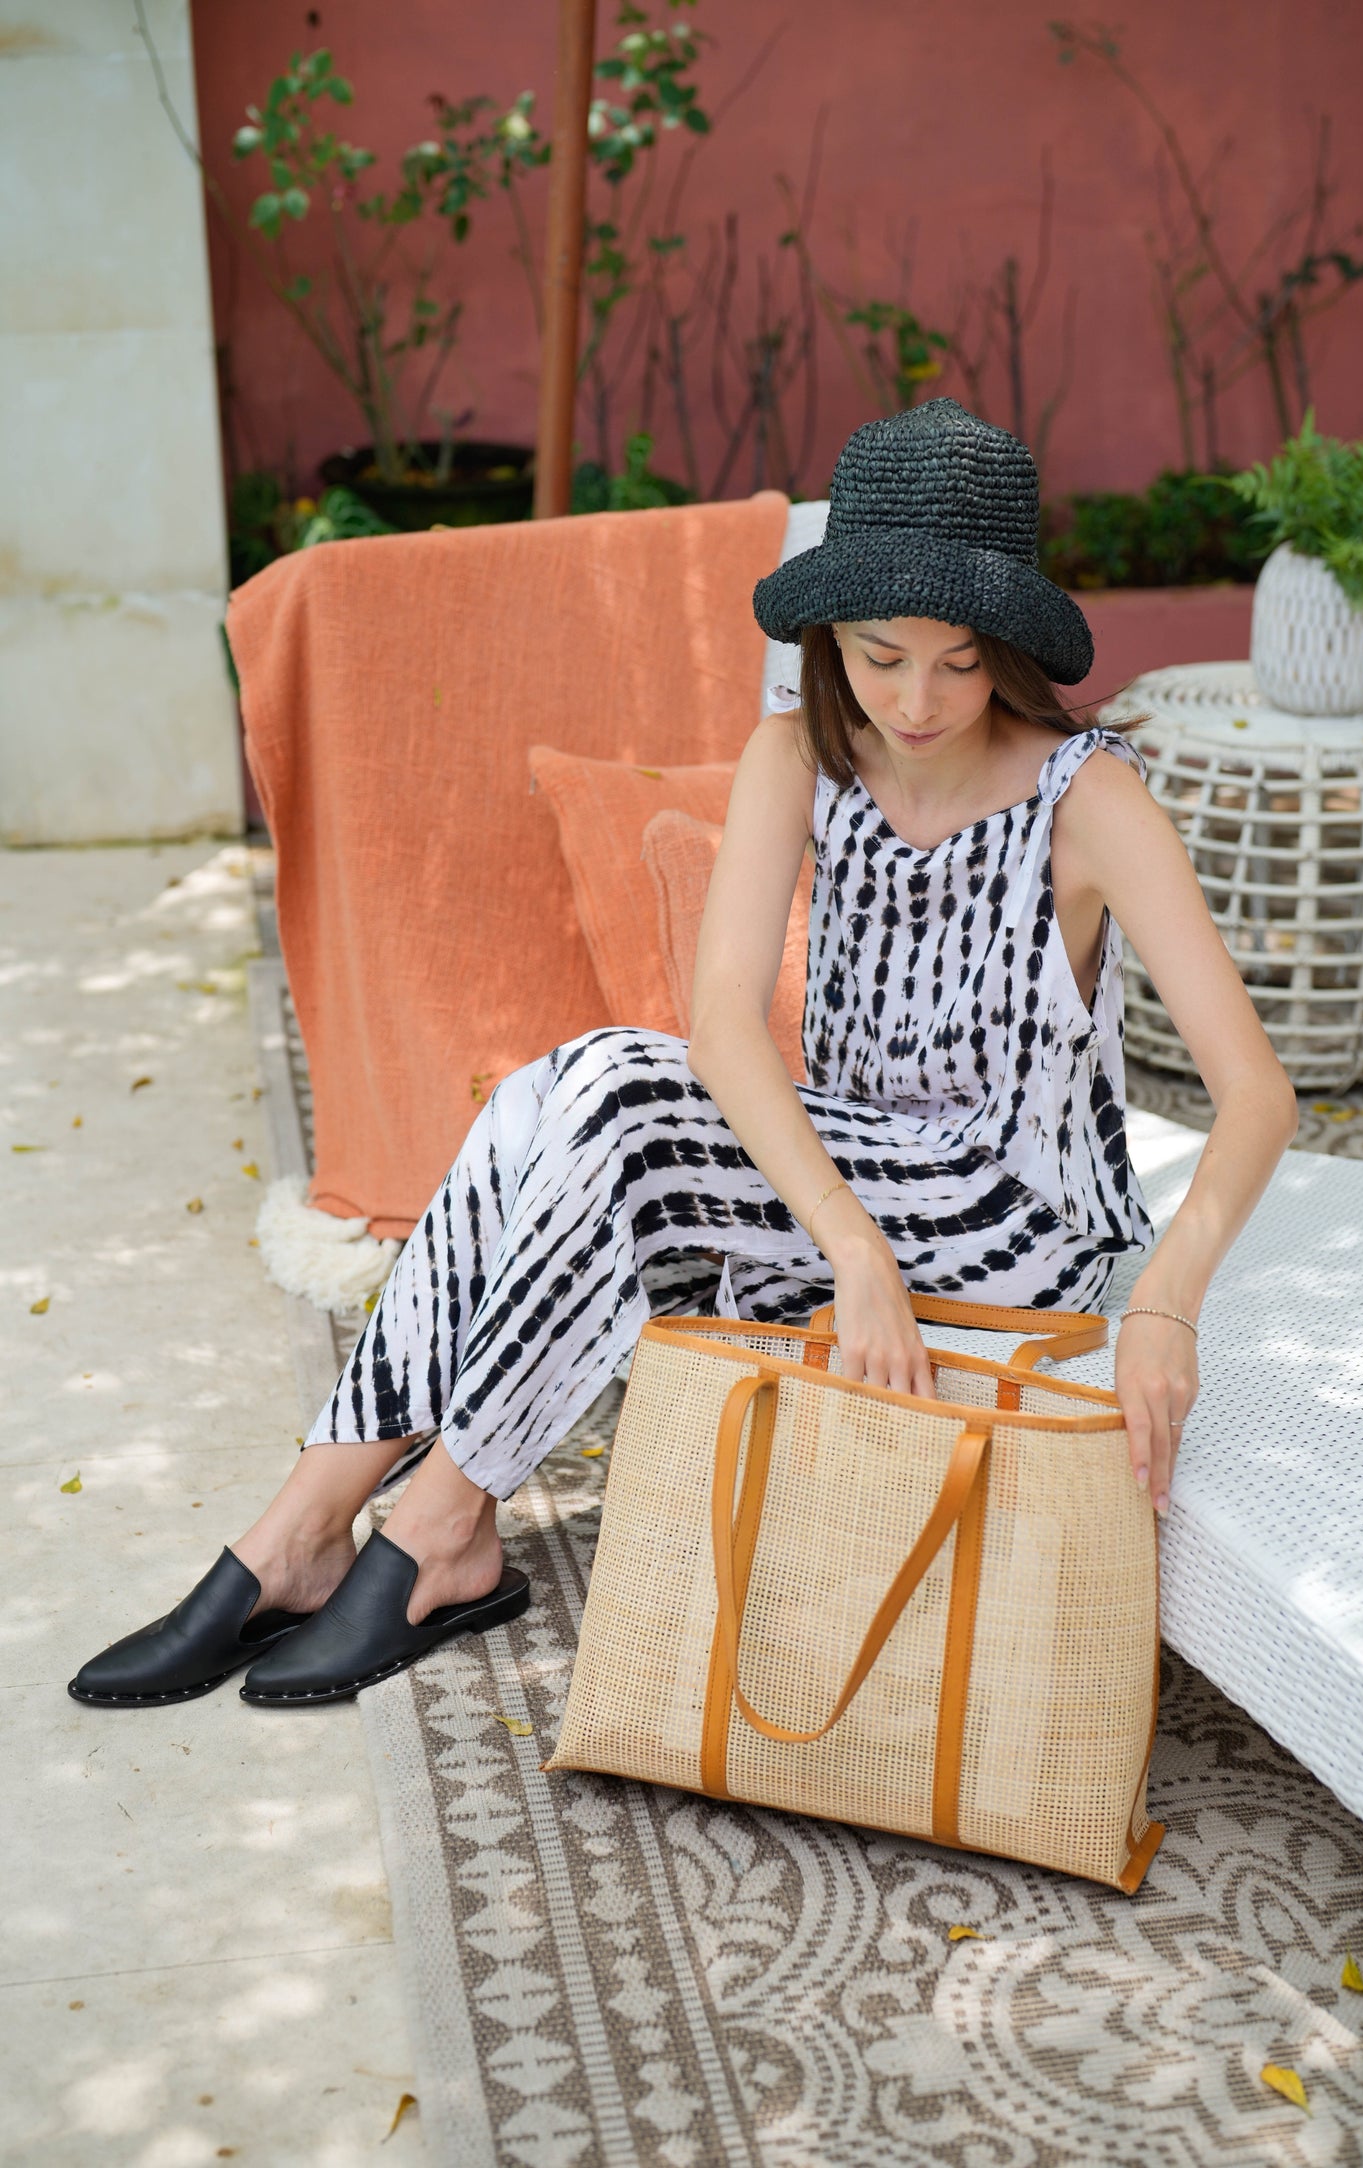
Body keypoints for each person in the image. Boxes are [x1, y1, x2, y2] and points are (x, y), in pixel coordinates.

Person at [70, 399, 1297, 1711]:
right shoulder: (801, 756)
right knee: (559, 1091)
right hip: (861, 1182)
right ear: (830, 637)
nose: (919, 699)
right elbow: (720, 1024)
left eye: (959, 661)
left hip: (1011, 1213)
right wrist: (851, 1247)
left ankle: (430, 1528)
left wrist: (1162, 1303)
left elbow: (1254, 1097)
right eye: (881, 657)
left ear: (1006, 646)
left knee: (613, 1092)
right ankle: (308, 1530)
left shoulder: (1087, 799)